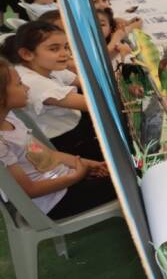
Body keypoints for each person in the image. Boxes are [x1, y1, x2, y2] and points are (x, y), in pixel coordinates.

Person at [0, 60, 113, 220]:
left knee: (121, 171)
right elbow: (28, 190)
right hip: (55, 202)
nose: (27, 87)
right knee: (130, 181)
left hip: (64, 182)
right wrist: (74, 177)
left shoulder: (10, 118)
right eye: (19, 84)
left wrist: (90, 165)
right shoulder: (2, 144)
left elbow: (51, 155)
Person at [2, 22, 105, 162]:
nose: (65, 54)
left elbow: (89, 83)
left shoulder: (47, 66)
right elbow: (93, 105)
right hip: (65, 142)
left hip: (76, 126)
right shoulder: (32, 81)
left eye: (66, 47)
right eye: (54, 49)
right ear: (27, 54)